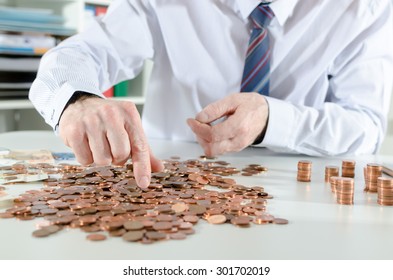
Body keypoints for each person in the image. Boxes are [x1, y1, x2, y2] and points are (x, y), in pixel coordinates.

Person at [29, 0, 393, 188]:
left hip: (300, 190)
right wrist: (77, 100)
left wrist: (273, 119)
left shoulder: (364, 8)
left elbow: (366, 124)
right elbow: (82, 53)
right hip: (164, 184)